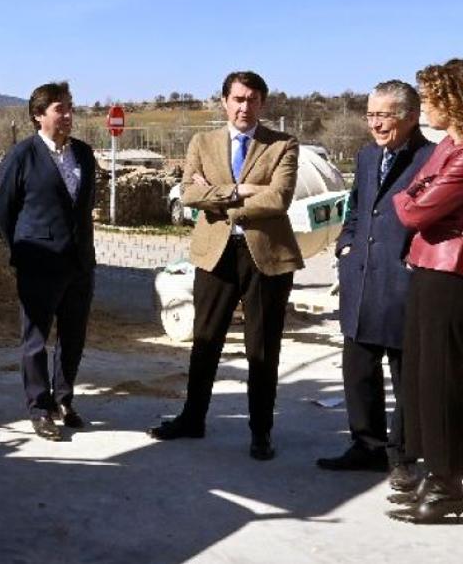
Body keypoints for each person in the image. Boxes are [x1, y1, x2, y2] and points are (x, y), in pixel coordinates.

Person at [148, 70, 303, 460]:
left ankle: (261, 431)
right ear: (223, 101)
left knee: (262, 347)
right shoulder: (203, 141)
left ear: (262, 103)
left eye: (251, 100)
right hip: (214, 254)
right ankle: (192, 418)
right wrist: (239, 190)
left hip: (265, 256)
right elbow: (187, 193)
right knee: (205, 341)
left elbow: (278, 200)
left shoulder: (283, 144)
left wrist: (215, 197)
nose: (243, 107)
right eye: (237, 99)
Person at [317, 81, 432, 493]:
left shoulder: (430, 158)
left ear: (410, 117)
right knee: (358, 370)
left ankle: (402, 456)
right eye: (370, 114)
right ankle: (365, 446)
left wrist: (412, 260)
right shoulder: (367, 156)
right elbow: (355, 208)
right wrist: (345, 246)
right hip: (362, 279)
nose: (375, 124)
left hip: (403, 282)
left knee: (406, 377)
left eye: (384, 115)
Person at [0, 82, 96, 441]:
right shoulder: (22, 155)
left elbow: (84, 208)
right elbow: (2, 209)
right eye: (59, 109)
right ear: (39, 115)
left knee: (73, 336)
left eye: (70, 107)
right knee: (36, 339)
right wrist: (22, 249)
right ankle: (39, 408)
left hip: (79, 263)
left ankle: (64, 400)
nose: (67, 115)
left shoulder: (83, 154)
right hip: (38, 261)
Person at [387, 60, 463, 524]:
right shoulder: (449, 146)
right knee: (420, 374)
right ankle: (436, 470)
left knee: (441, 377)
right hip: (427, 267)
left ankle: (447, 480)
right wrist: (413, 196)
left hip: (449, 273)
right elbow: (415, 190)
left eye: (432, 97)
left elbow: (413, 210)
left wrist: (410, 198)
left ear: (453, 100)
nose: (426, 106)